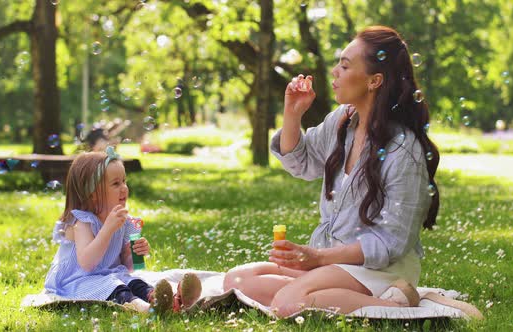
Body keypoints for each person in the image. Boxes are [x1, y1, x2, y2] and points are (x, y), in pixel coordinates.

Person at [223, 26, 441, 318]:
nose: (335, 72)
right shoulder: (342, 121)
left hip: (380, 268)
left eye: (346, 65)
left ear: (375, 80)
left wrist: (318, 258)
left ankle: (398, 302)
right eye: (339, 62)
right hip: (334, 263)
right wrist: (293, 113)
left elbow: (392, 241)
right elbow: (303, 163)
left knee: (288, 303)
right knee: (236, 280)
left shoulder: (403, 149)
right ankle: (323, 293)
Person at [44, 146, 201, 313]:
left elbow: (129, 267)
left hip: (111, 274)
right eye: (116, 183)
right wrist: (108, 229)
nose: (124, 187)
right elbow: (88, 264)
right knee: (117, 288)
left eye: (124, 181)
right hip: (80, 280)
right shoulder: (82, 222)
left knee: (134, 282)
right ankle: (146, 309)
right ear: (93, 193)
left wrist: (135, 253)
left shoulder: (126, 221)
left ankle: (166, 300)